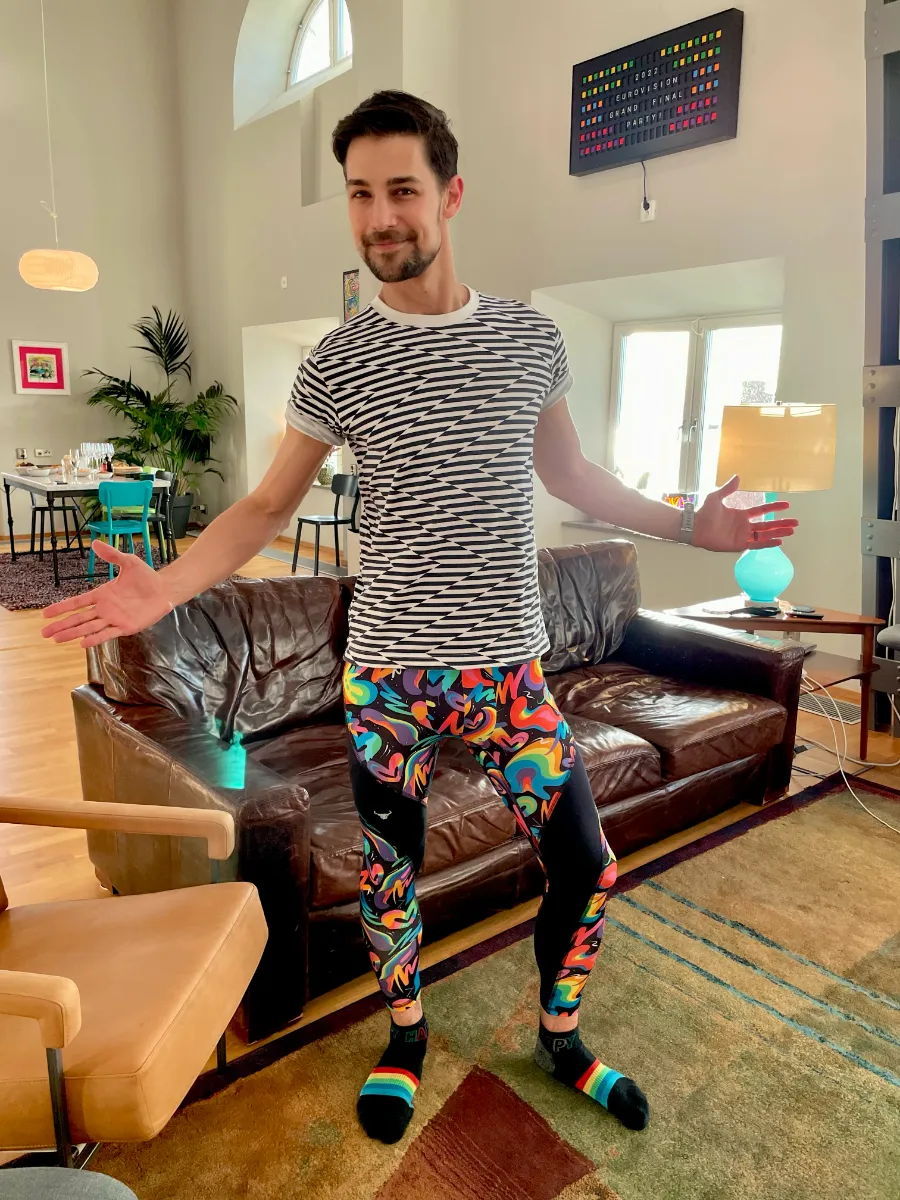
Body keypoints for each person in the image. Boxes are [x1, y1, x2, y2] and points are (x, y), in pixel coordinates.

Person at [43, 91, 797, 1145]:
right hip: (389, 682)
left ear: (449, 194)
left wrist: (690, 525)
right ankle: (404, 1035)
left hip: (510, 679)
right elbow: (265, 504)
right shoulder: (337, 362)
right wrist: (168, 585)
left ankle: (560, 1035)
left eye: (400, 189)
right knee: (391, 876)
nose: (378, 216)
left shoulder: (530, 338)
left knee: (586, 865)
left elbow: (571, 470)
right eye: (359, 194)